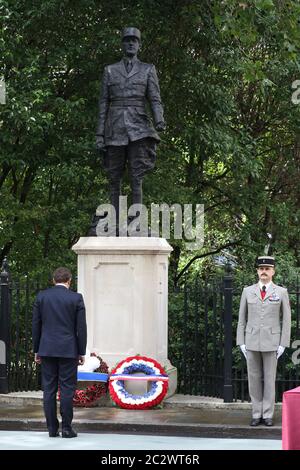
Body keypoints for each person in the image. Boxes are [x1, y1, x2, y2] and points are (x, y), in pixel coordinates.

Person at [92, 27, 166, 234]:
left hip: (139, 126)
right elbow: (103, 103)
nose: (131, 43)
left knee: (137, 176)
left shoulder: (148, 69)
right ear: (122, 44)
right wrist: (99, 134)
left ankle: (137, 222)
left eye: (134, 40)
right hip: (114, 127)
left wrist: (159, 119)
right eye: (127, 40)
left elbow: (154, 98)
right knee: (114, 177)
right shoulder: (109, 70)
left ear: (139, 44)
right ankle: (113, 222)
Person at [32, 267, 87, 438]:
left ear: (53, 280)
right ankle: (67, 428)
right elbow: (81, 328)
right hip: (68, 349)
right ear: (69, 280)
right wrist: (81, 351)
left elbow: (36, 325)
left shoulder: (42, 297)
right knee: (67, 389)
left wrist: (37, 350)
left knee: (48, 389)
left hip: (47, 348)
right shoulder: (76, 298)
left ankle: (51, 428)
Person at [236, 256, 291, 427]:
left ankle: (267, 414)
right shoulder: (247, 291)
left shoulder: (281, 292)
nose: (264, 272)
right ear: (257, 271)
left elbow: (287, 319)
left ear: (273, 271)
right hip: (251, 341)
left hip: (272, 342)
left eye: (267, 269)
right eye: (261, 269)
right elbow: (241, 318)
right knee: (253, 378)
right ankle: (256, 412)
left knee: (269, 379)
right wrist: (241, 342)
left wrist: (283, 343)